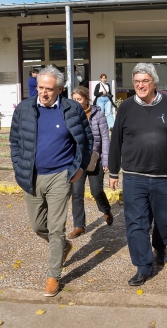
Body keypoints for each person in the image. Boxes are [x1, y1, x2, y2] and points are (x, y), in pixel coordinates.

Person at [9, 65, 93, 297]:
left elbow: (86, 139)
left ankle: (53, 275)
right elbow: (15, 141)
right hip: (31, 175)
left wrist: (80, 167)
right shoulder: (24, 108)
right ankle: (64, 246)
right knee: (38, 226)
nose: (43, 93)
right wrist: (18, 166)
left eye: (48, 89)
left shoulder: (72, 109)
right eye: (40, 88)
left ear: (59, 89)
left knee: (56, 228)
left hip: (60, 175)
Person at [109, 63, 167, 286]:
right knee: (136, 223)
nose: (140, 85)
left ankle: (160, 247)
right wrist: (113, 171)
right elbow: (116, 141)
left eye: (145, 81)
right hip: (134, 176)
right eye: (136, 82)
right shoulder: (125, 107)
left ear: (154, 83)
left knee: (164, 220)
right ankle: (143, 266)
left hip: (164, 176)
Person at [67, 86, 113, 240]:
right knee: (76, 193)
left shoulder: (98, 114)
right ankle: (78, 226)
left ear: (86, 99)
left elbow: (105, 139)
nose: (76, 102)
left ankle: (106, 210)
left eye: (79, 99)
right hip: (77, 160)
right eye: (74, 99)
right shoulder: (71, 114)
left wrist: (105, 160)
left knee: (96, 191)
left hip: (94, 158)